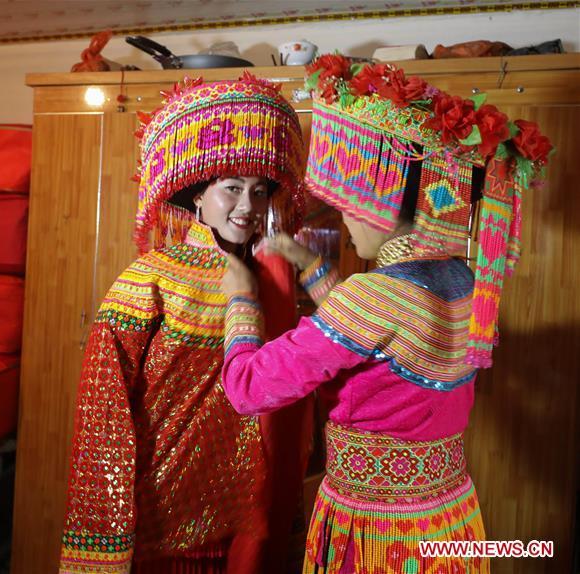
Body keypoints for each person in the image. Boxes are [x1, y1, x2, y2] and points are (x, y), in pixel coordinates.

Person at [220, 56, 551, 573]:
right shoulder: (463, 280)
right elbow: (368, 333)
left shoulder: (374, 296)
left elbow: (248, 388)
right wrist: (307, 262)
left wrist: (240, 299)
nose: (347, 217)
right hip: (448, 517)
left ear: (393, 203)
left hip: (377, 533)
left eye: (355, 203)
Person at [59, 74, 312, 574]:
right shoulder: (152, 274)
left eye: (260, 192)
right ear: (197, 195)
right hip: (169, 499)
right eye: (232, 189)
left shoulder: (277, 277)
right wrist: (104, 518)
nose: (247, 207)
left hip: (251, 502)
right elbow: (104, 400)